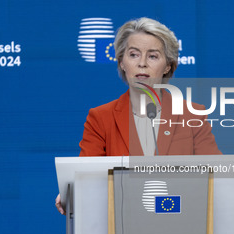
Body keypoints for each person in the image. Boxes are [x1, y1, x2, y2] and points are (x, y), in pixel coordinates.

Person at [56, 17, 225, 214]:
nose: (142, 63)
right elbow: (85, 177)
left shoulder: (192, 115)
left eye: (153, 56)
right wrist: (72, 192)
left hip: (180, 222)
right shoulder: (100, 118)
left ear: (168, 65)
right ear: (121, 62)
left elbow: (217, 172)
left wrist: (232, 189)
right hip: (120, 228)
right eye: (134, 55)